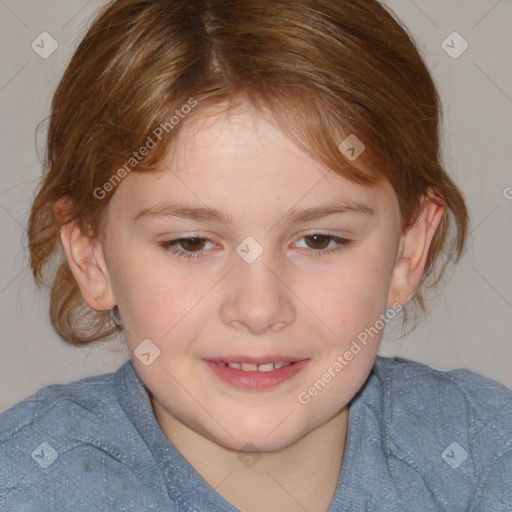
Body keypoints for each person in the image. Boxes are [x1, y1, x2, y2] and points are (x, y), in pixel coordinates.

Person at [1, 0, 511, 510]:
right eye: (192, 243)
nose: (259, 309)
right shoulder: (24, 484)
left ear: (408, 248)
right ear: (92, 257)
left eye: (319, 240)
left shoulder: (488, 460)